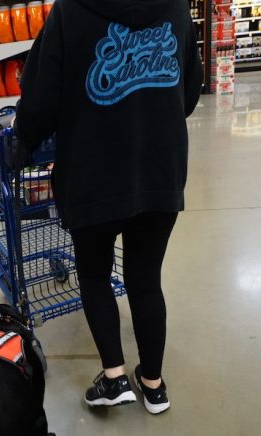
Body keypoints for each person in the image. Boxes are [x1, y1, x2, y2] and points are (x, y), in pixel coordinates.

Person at [16, 0, 203, 414]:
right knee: (145, 277)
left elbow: (42, 96)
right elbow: (189, 91)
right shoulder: (175, 8)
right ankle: (153, 385)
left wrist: (23, 138)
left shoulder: (68, 10)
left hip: (92, 172)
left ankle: (115, 377)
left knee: (96, 274)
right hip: (159, 169)